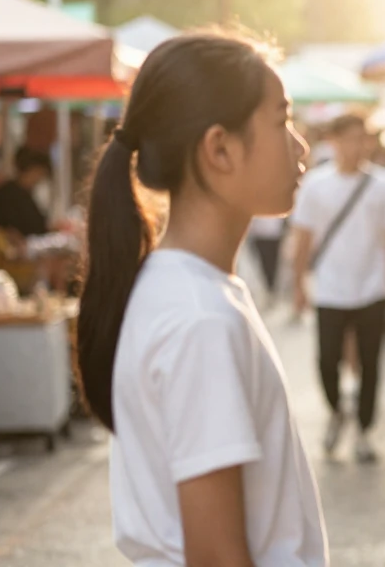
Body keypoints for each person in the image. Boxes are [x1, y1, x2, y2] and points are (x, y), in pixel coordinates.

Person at [73, 33, 327, 566]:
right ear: (219, 149)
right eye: (281, 121)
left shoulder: (193, 294)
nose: (300, 147)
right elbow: (216, 556)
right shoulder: (198, 317)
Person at [290, 113, 385, 463]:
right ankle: (337, 411)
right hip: (330, 288)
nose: (356, 146)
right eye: (348, 138)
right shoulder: (315, 185)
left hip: (373, 286)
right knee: (327, 359)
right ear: (334, 142)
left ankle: (365, 431)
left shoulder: (383, 185)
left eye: (361, 138)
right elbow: (303, 238)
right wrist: (298, 284)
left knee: (371, 362)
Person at [0, 146, 52, 239]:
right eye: (40, 173)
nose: (40, 179)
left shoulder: (25, 193)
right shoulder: (7, 194)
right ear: (32, 169)